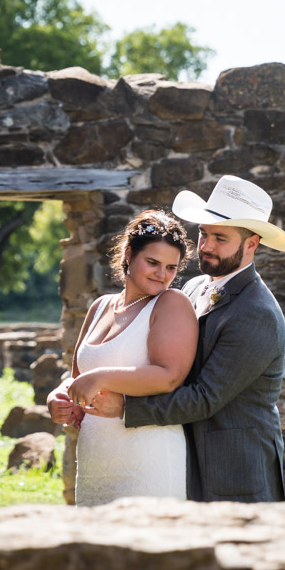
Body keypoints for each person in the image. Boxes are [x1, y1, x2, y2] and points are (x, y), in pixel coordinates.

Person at [53, 174, 285, 503]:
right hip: (179, 453)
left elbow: (205, 397)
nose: (206, 246)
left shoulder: (257, 312)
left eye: (220, 238)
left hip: (233, 466)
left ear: (251, 244)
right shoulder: (195, 287)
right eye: (204, 234)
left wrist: (125, 406)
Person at [63, 209, 197, 505]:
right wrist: (59, 398)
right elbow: (76, 376)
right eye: (152, 262)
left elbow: (169, 376)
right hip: (95, 461)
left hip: (148, 461)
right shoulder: (100, 306)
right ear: (127, 254)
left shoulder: (171, 304)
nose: (162, 275)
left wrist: (101, 378)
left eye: (171, 267)